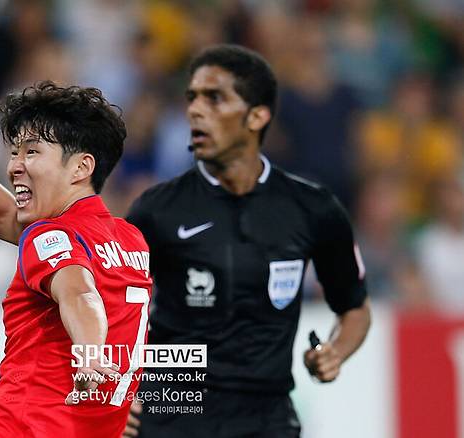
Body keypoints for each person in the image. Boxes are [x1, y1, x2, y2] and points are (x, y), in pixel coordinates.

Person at [124, 44, 371, 437]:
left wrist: (334, 353)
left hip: (266, 414)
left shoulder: (313, 208)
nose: (195, 110)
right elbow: (107, 307)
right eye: (192, 98)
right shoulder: (156, 211)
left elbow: (354, 308)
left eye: (214, 98)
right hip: (172, 407)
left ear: (257, 116)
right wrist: (116, 394)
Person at [0, 81, 152, 437]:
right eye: (15, 153)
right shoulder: (131, 241)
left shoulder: (49, 235)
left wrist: (91, 354)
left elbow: (79, 292)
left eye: (31, 152)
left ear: (81, 168)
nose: (14, 167)